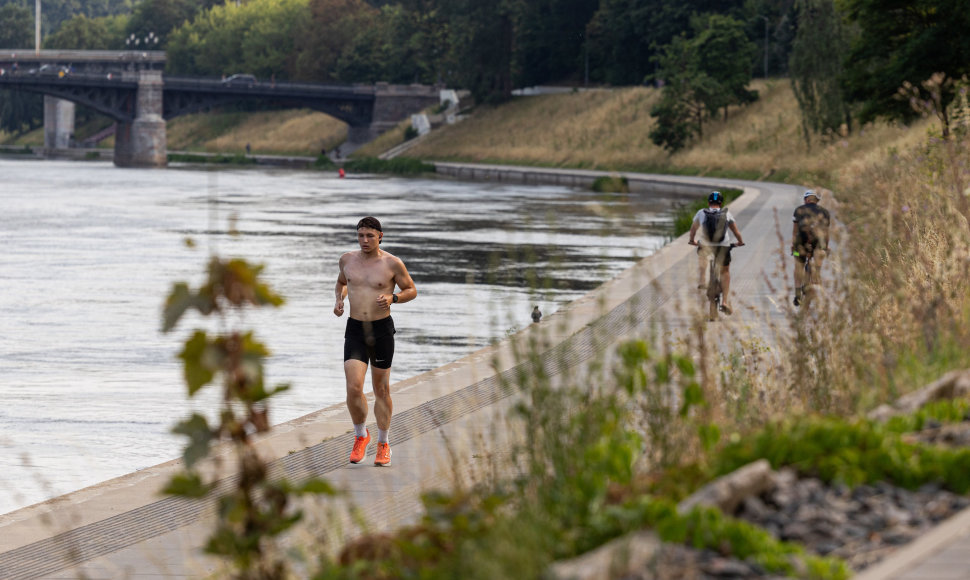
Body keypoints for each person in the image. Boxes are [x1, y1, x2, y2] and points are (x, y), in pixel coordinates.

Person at [334, 216, 417, 466]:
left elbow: (411, 290)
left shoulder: (392, 263)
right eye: (360, 235)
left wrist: (393, 298)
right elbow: (341, 283)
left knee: (381, 390)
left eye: (370, 235)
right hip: (356, 329)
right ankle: (361, 436)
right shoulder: (347, 260)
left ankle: (383, 443)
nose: (364, 240)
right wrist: (339, 299)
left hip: (381, 330)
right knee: (353, 387)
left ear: (380, 236)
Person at [688, 191, 745, 314]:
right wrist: (740, 242)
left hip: (706, 245)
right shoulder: (726, 213)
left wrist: (692, 240)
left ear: (709, 202)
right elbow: (736, 231)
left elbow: (693, 229)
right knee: (725, 271)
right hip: (723, 246)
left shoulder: (701, 212)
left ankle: (702, 280)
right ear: (721, 203)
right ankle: (724, 301)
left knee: (702, 253)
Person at [791, 189, 830, 306]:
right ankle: (815, 277)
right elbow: (826, 233)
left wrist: (793, 246)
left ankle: (798, 294)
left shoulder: (798, 210)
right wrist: (826, 247)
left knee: (798, 266)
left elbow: (795, 231)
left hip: (800, 244)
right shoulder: (825, 212)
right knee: (818, 264)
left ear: (806, 200)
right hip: (819, 243)